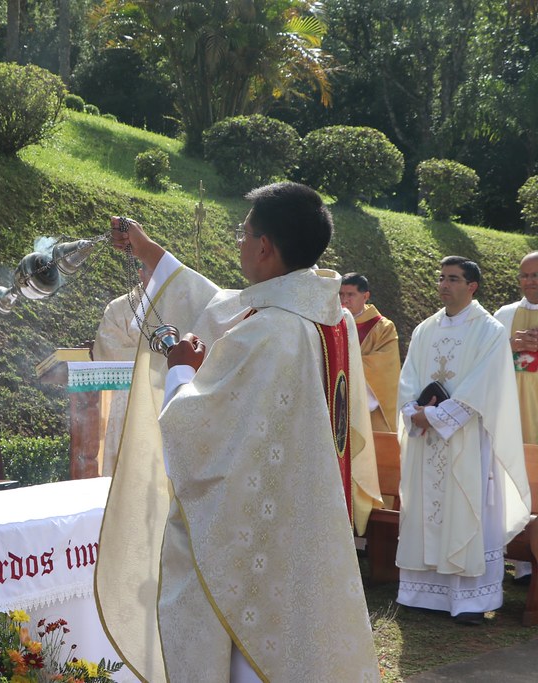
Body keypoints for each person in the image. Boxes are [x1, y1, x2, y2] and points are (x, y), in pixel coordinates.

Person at [96, 182, 380, 681]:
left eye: (243, 233)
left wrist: (183, 369)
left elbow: (197, 435)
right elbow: (220, 305)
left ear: (265, 246)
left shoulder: (270, 333)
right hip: (304, 514)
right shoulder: (324, 311)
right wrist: (147, 250)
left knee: (252, 654)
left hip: (258, 540)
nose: (239, 242)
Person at [396, 256, 532, 624]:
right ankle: (419, 593)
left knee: (464, 507)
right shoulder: (426, 328)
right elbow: (408, 376)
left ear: (472, 286)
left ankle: (468, 602)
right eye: (441, 278)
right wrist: (413, 411)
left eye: (453, 279)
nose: (444, 285)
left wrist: (435, 416)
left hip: (466, 440)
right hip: (427, 438)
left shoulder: (488, 330)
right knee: (425, 509)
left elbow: (483, 386)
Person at [90, 267, 150, 476]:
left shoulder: (176, 305)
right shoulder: (118, 308)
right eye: (150, 270)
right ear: (141, 273)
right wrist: (156, 355)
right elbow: (107, 352)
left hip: (165, 395)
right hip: (125, 398)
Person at [341, 272, 400, 431]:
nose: (344, 299)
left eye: (351, 294)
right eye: (341, 294)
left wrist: (340, 365)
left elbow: (384, 369)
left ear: (365, 296)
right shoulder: (331, 323)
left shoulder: (383, 328)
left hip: (367, 410)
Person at [494, 252, 538, 443]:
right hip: (511, 408)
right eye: (524, 275)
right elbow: (482, 360)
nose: (530, 281)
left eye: (536, 275)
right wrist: (510, 345)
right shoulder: (504, 315)